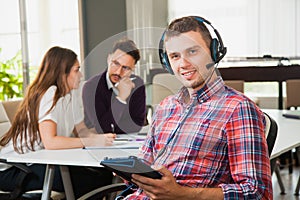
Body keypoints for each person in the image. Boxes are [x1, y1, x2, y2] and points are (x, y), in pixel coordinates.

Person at [124, 16, 272, 199]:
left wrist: (182, 194)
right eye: (175, 56)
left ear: (214, 52)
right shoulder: (165, 107)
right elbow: (145, 166)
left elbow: (257, 193)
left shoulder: (238, 109)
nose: (183, 64)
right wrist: (130, 172)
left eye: (192, 51)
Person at [0, 46, 116, 198]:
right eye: (77, 69)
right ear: (62, 73)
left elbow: (82, 132)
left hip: (39, 163)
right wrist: (91, 142)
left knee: (103, 173)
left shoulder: (70, 95)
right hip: (14, 170)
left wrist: (106, 137)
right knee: (88, 179)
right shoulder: (49, 94)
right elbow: (51, 142)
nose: (81, 75)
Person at [82, 37, 146, 134]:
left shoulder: (137, 84)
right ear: (109, 59)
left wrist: (111, 125)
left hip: (128, 143)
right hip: (97, 145)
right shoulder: (91, 87)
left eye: (125, 68)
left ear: (133, 68)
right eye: (116, 63)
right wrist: (121, 98)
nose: (118, 71)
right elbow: (101, 128)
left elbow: (137, 124)